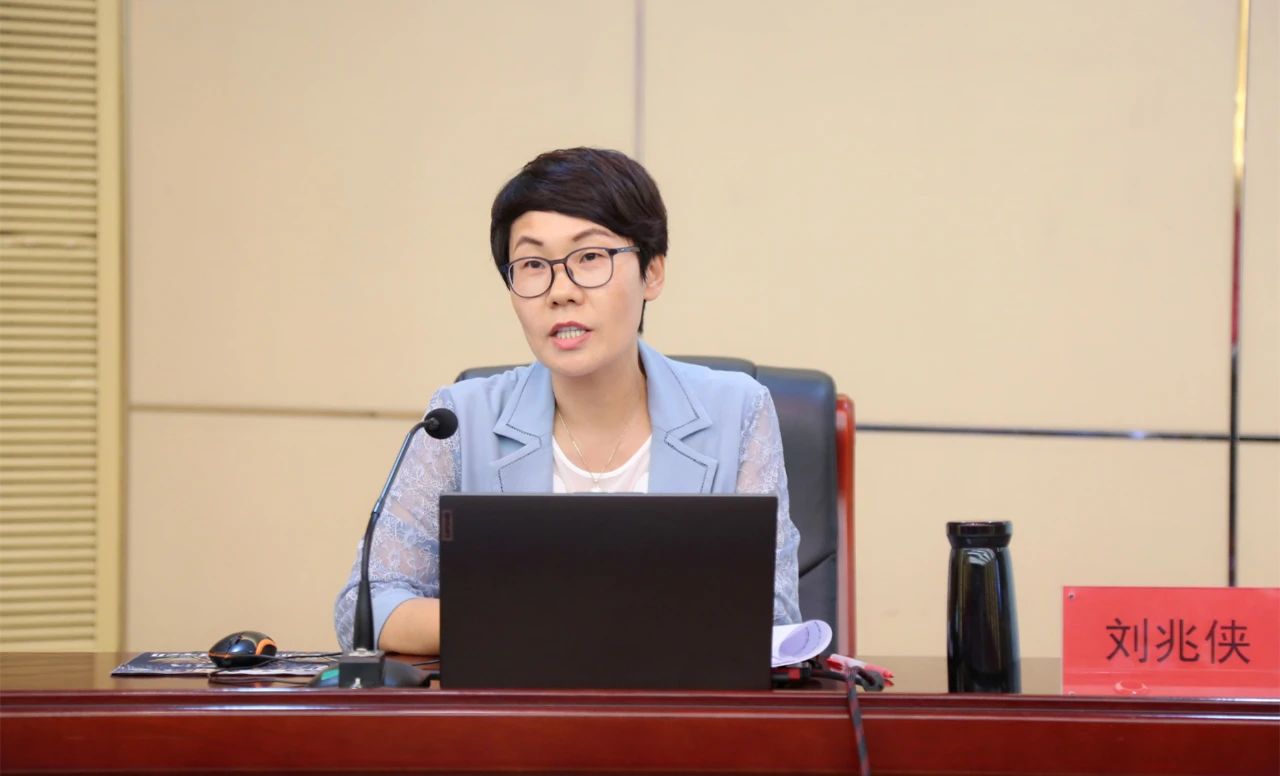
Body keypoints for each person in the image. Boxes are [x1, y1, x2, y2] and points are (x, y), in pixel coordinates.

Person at [333, 148, 801, 654]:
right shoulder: (460, 419)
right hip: (513, 703)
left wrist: (563, 618)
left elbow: (772, 620)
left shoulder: (738, 411)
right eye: (534, 264)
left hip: (678, 702)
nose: (561, 291)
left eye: (590, 257)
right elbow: (365, 607)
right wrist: (541, 618)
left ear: (652, 273)